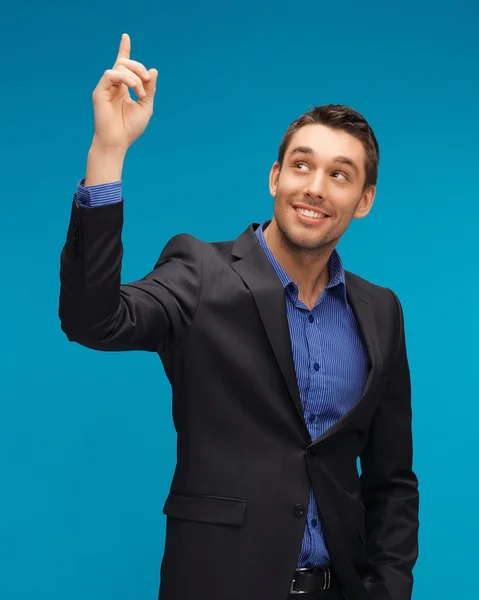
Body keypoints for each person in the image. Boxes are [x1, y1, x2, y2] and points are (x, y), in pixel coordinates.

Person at [58, 33, 419, 600]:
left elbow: (392, 481)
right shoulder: (200, 272)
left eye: (340, 175)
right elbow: (93, 320)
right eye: (302, 165)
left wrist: (389, 589)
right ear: (276, 177)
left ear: (364, 199)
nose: (315, 188)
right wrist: (108, 154)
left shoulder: (381, 311)